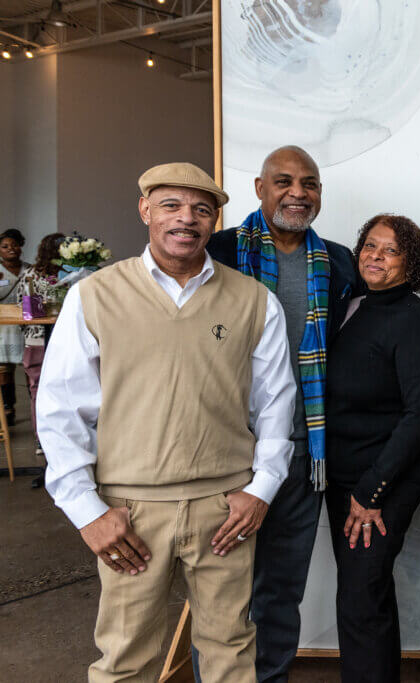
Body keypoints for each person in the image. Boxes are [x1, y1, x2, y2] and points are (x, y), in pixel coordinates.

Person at [38, 162, 296, 682]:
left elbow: (275, 406)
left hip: (224, 510)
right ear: (145, 211)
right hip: (129, 512)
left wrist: (261, 490)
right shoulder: (95, 296)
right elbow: (62, 411)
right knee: (124, 660)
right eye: (171, 206)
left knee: (230, 651)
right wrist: (88, 511)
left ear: (215, 221)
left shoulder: (253, 301)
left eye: (202, 210)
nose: (187, 219)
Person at [202, 145, 359, 682]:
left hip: (301, 452)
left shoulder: (338, 262)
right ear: (259, 188)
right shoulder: (217, 251)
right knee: (221, 593)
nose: (298, 192)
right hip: (225, 453)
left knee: (280, 592)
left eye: (309, 183)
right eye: (285, 181)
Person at [325, 214, 420, 683]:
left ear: (410, 262)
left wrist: (371, 490)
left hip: (384, 479)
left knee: (360, 596)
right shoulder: (353, 307)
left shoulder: (415, 321)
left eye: (390, 250)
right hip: (343, 477)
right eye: (370, 246)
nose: (375, 257)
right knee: (365, 593)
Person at [18, 232, 67, 488]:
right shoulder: (72, 274)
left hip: (36, 341)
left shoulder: (31, 274)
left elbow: (24, 307)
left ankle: (43, 445)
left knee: (37, 394)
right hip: (57, 340)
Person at [0, 228, 26, 420]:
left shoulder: (31, 268)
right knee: (4, 369)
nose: (10, 249)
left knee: (29, 366)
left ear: (21, 247)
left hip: (27, 327)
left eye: (14, 245)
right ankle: (8, 408)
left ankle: (35, 402)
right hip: (3, 327)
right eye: (5, 246)